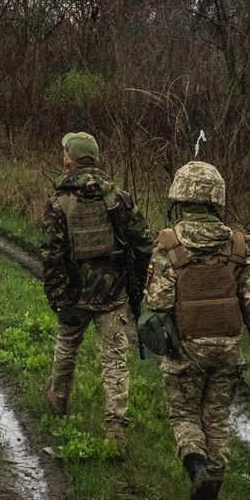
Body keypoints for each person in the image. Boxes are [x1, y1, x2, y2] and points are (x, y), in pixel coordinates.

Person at [140, 160, 250, 500]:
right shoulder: (238, 246)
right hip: (227, 350)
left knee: (185, 416)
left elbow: (158, 304)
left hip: (186, 349)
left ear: (180, 198)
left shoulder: (170, 244)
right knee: (216, 422)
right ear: (217, 199)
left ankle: (198, 471)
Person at [40, 131, 153, 451]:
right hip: (112, 295)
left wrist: (58, 297)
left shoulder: (58, 202)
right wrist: (135, 284)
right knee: (114, 359)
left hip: (73, 295)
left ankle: (58, 403)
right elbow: (144, 244)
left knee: (66, 348)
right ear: (96, 159)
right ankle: (115, 429)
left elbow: (50, 255)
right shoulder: (118, 197)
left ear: (69, 160)